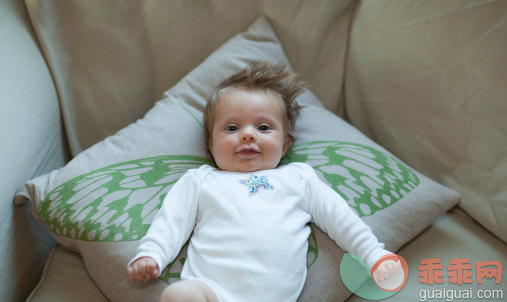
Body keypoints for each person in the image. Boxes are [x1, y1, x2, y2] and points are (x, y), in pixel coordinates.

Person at [127, 61, 402, 302]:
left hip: (274, 296)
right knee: (179, 295)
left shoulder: (298, 177)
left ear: (284, 146)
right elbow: (171, 222)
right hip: (210, 290)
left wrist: (373, 255)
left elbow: (340, 218)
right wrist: (151, 255)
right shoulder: (201, 180)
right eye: (232, 128)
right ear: (210, 145)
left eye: (263, 127)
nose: (248, 135)